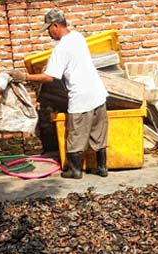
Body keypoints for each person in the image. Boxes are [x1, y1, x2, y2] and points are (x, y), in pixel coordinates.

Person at [10, 9, 109, 179]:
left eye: (49, 29)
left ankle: (75, 171)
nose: (48, 33)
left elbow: (49, 77)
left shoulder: (61, 48)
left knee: (75, 137)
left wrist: (24, 76)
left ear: (56, 25)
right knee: (98, 134)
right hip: (98, 93)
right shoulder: (77, 37)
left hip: (81, 97)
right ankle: (102, 168)